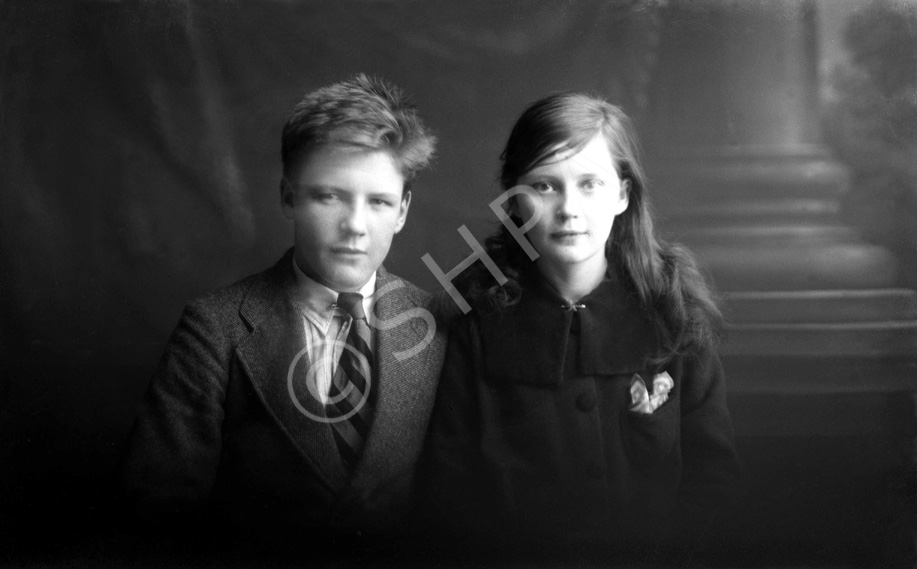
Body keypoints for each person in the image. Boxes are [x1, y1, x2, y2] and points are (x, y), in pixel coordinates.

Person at [115, 74, 447, 559]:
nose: (355, 226)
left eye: (378, 202)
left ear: (402, 210)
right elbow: (157, 514)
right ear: (289, 196)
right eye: (328, 196)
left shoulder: (437, 322)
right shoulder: (215, 329)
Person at [415, 93, 741, 564]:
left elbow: (714, 485)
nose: (569, 209)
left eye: (590, 184)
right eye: (545, 187)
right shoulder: (475, 324)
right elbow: (450, 497)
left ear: (623, 195)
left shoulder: (673, 316)